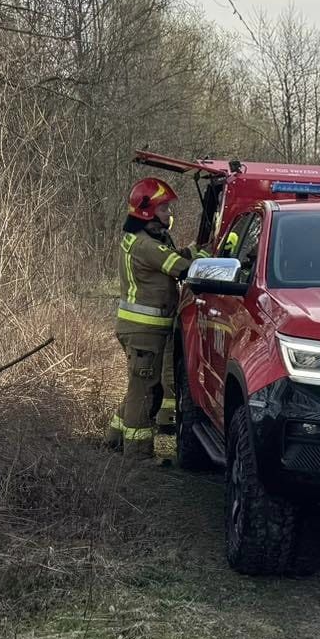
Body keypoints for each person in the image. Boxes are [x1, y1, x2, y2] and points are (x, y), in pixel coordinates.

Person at [108, 177, 193, 457]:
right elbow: (181, 267)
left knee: (140, 386)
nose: (169, 214)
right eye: (164, 208)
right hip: (144, 332)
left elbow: (172, 256)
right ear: (148, 212)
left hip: (141, 330)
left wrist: (195, 251)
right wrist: (205, 259)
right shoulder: (146, 246)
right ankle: (137, 452)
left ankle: (115, 438)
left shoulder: (140, 240)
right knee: (144, 392)